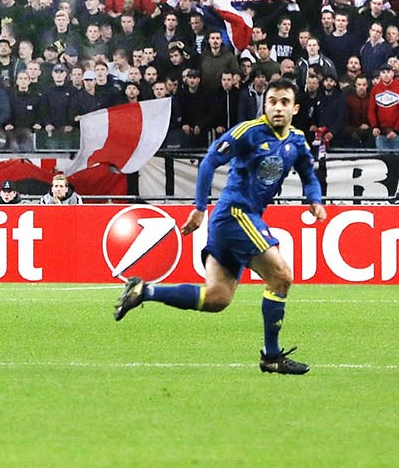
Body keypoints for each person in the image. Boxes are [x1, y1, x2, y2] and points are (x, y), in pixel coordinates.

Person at [113, 78, 326, 375]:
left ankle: (144, 292)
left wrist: (314, 200)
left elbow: (308, 173)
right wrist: (200, 208)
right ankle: (272, 356)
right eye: (273, 101)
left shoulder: (297, 140)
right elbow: (209, 162)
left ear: (295, 108)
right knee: (281, 277)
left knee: (216, 298)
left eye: (284, 102)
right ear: (264, 105)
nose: (278, 108)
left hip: (238, 219)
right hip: (236, 213)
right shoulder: (249, 133)